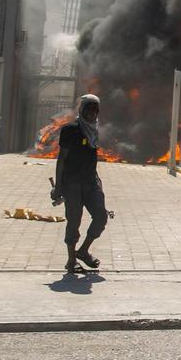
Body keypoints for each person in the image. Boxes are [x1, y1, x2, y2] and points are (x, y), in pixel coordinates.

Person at [53, 93, 111, 274]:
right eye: (88, 108)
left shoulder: (94, 130)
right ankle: (71, 261)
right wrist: (58, 187)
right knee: (74, 221)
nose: (92, 112)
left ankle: (83, 251)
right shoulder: (70, 129)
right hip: (72, 184)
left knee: (101, 217)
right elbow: (62, 159)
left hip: (91, 182)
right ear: (81, 109)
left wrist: (97, 183)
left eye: (95, 109)